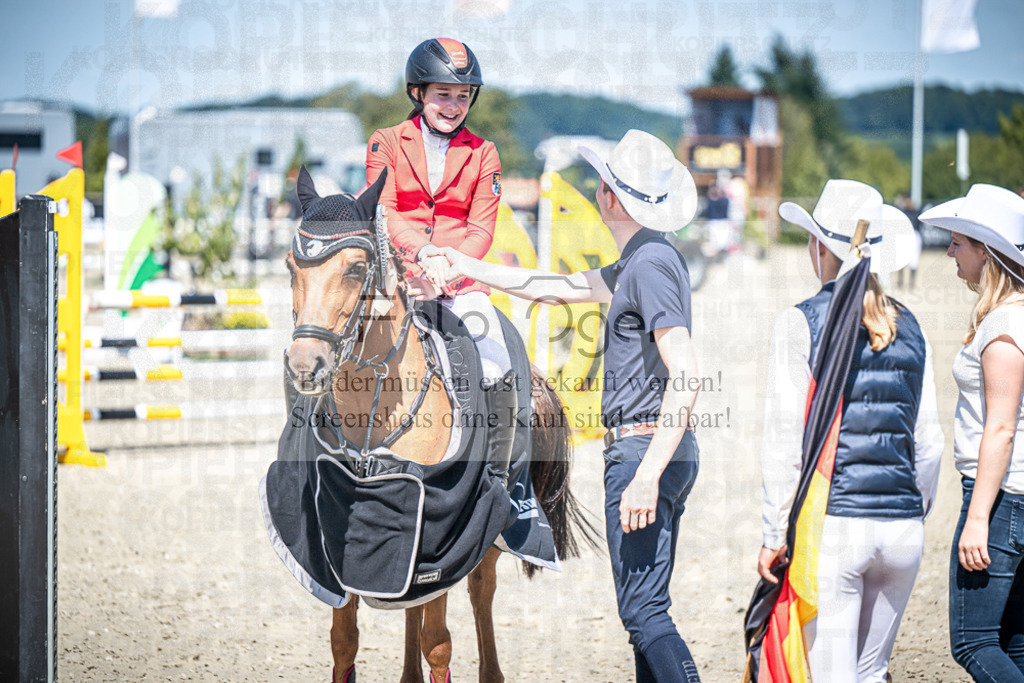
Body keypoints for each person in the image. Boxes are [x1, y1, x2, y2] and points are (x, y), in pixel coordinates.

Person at [438, 129, 703, 682]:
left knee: (645, 613)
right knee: (647, 608)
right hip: (655, 448)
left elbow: (688, 373)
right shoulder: (643, 259)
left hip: (643, 450)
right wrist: (466, 266)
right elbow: (549, 285)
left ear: (610, 196)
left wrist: (647, 473)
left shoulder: (647, 266)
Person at [758, 179, 944, 682]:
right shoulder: (912, 326)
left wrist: (774, 532)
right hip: (903, 526)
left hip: (835, 526)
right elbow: (928, 443)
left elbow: (784, 444)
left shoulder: (800, 323)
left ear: (821, 246)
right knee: (872, 674)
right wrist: (912, 508)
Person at [919, 183, 1024, 682]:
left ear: (987, 252)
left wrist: (978, 516)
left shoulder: (1004, 326)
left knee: (973, 641)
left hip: (1002, 496)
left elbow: (1000, 429)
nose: (949, 252)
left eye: (958, 243)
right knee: (1015, 642)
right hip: (1016, 493)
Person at [364, 37, 510, 384]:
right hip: (395, 277)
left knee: (495, 368)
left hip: (460, 284)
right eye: (443, 94)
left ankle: (496, 440)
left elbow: (481, 231)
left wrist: (445, 277)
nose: (454, 106)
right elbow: (384, 213)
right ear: (418, 93)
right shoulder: (385, 141)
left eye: (463, 96)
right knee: (335, 349)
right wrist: (424, 252)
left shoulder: (484, 152)